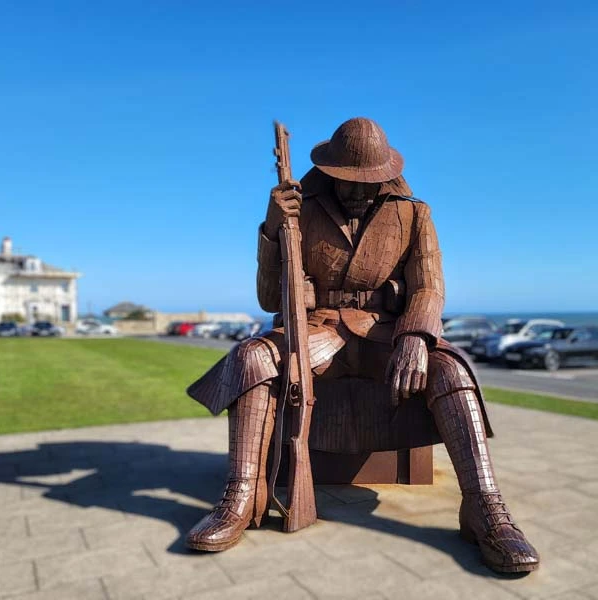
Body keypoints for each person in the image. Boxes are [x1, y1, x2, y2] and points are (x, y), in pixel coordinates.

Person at [185, 117, 539, 573]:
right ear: (329, 171)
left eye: (367, 183)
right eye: (348, 182)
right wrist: (273, 229)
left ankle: (485, 508)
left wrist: (415, 336)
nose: (357, 192)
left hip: (384, 334)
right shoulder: (299, 211)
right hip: (318, 330)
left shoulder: (415, 213)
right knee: (252, 357)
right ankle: (241, 495)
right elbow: (270, 299)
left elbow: (429, 288)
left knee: (452, 368)